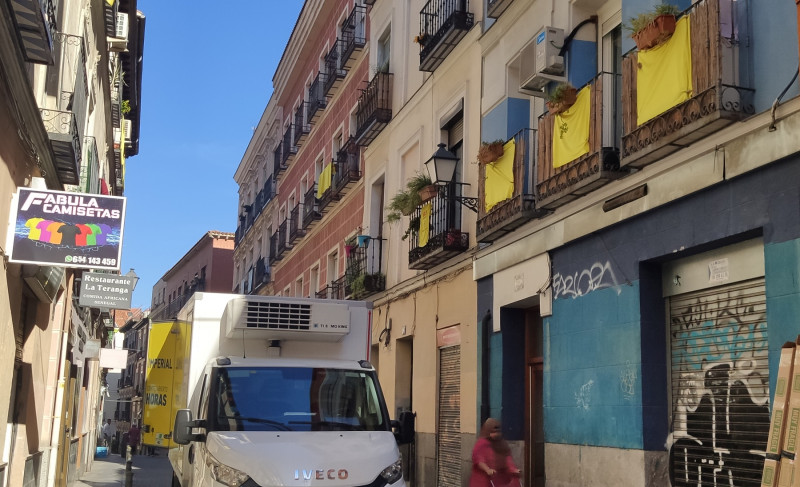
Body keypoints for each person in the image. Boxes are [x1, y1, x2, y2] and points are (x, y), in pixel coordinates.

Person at [470, 418, 520, 487]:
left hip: (499, 480)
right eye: (493, 432)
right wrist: (487, 469)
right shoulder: (481, 443)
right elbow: (479, 459)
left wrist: (513, 469)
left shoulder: (502, 443)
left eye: (497, 432)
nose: (496, 434)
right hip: (483, 480)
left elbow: (507, 458)